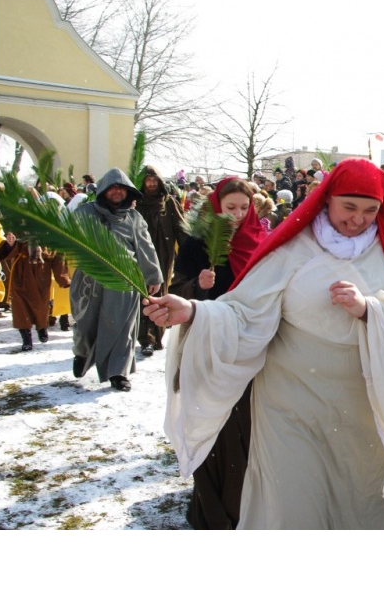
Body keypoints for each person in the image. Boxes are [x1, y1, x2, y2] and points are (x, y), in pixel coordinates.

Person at [144, 158, 384, 529]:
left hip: (359, 408)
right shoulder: (293, 249)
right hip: (289, 403)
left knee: (354, 501)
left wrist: (370, 311)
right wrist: (192, 311)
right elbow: (242, 314)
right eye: (348, 207)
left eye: (370, 210)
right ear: (327, 199)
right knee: (292, 502)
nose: (357, 219)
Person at [168, 176, 266, 529]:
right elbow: (177, 288)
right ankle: (211, 504)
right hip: (208, 345)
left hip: (250, 346)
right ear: (216, 207)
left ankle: (243, 502)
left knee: (247, 423)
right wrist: (199, 287)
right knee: (214, 421)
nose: (238, 215)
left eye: (244, 207)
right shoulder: (198, 242)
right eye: (230, 208)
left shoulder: (261, 241)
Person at [70, 168, 163, 392]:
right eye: (112, 187)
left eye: (121, 188)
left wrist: (153, 275)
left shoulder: (133, 218)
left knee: (121, 327)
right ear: (103, 190)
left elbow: (144, 246)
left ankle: (118, 373)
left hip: (124, 280)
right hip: (89, 279)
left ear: (128, 192)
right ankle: (82, 352)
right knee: (85, 324)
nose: (116, 191)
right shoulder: (85, 212)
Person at [135, 165, 189, 357]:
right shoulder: (136, 203)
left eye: (154, 180)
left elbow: (181, 229)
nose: (151, 183)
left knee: (161, 292)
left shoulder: (168, 203)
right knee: (144, 294)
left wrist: (189, 252)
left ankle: (157, 336)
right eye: (148, 180)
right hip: (140, 256)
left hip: (163, 256)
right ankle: (146, 338)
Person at [0, 231, 70, 352]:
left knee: (41, 306)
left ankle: (41, 327)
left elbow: (58, 256)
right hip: (21, 274)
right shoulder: (18, 226)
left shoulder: (49, 230)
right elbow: (5, 253)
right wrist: (10, 244)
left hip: (41, 275)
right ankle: (26, 339)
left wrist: (63, 278)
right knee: (20, 308)